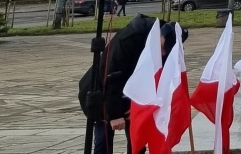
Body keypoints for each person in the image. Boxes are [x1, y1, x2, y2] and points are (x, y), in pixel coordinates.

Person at [78, 14, 187, 153]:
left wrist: (144, 104)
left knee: (138, 140)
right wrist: (114, 115)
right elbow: (112, 77)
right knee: (103, 141)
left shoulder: (169, 43)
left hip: (135, 96)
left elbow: (163, 80)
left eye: (168, 52)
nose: (164, 53)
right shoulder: (129, 39)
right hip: (105, 93)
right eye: (163, 48)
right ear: (160, 35)